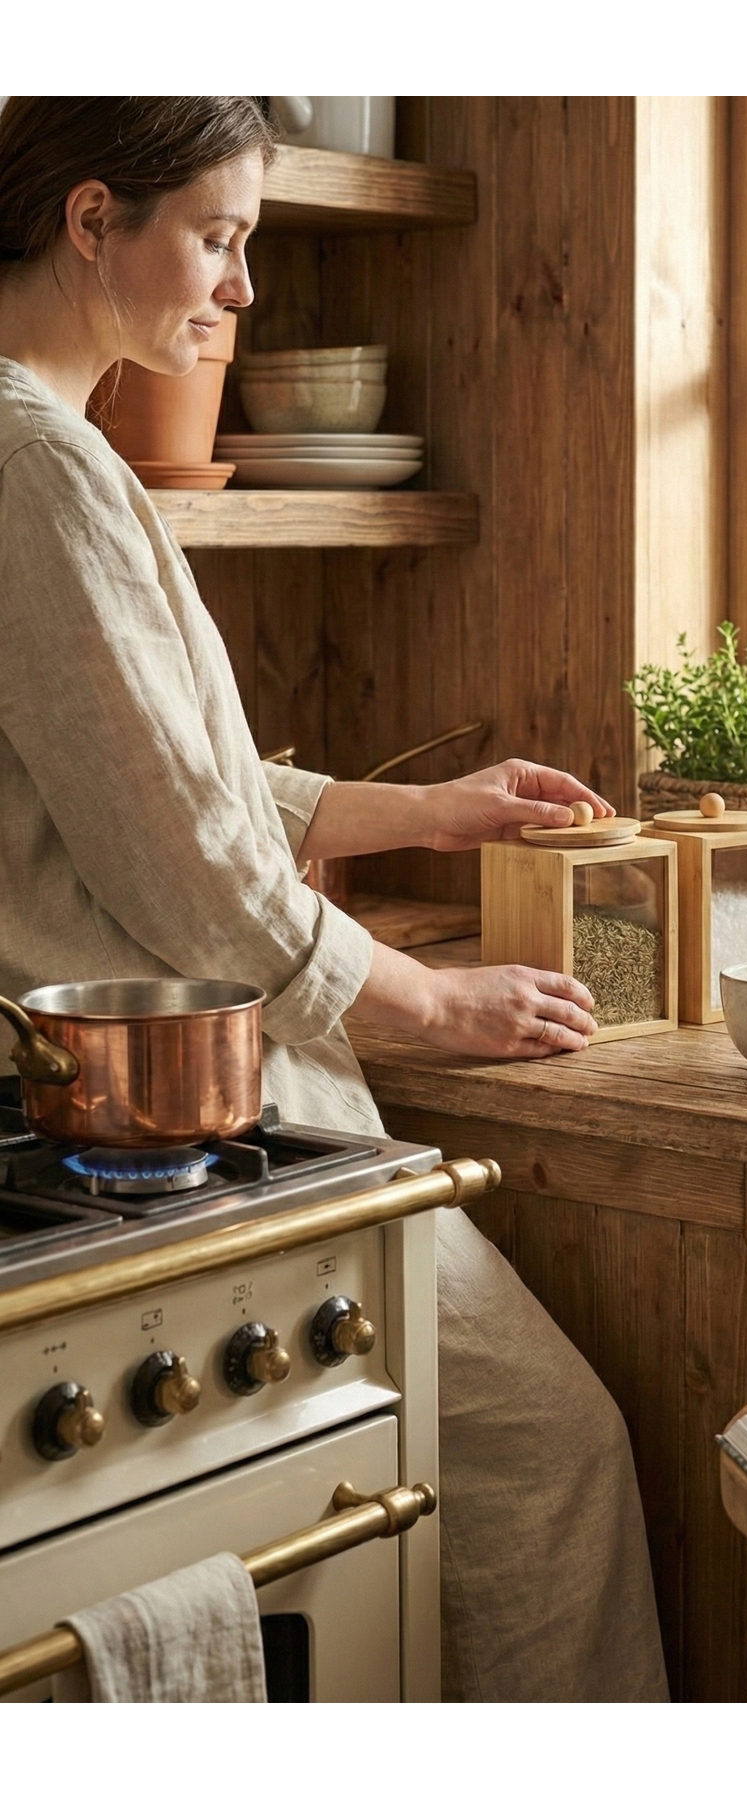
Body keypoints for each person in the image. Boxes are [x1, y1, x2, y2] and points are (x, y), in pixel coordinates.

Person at [0, 96, 667, 1703]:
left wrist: (425, 806)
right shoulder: (35, 467)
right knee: (555, 1456)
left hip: (135, 1119)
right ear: (95, 221)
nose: (242, 291)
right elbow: (184, 853)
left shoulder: (50, 451)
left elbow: (151, 776)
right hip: (177, 1125)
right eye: (220, 239)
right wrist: (436, 998)